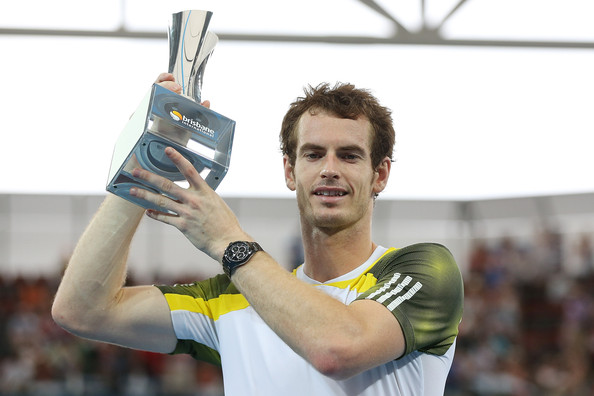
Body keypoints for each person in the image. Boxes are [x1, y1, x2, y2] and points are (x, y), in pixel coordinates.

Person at [52, 72, 464, 395]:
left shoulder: (426, 270)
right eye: (313, 154)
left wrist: (227, 240)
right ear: (290, 171)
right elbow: (82, 310)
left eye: (350, 156)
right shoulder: (236, 299)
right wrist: (146, 156)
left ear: (380, 174)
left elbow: (337, 348)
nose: (330, 169)